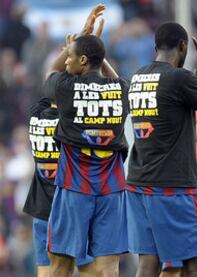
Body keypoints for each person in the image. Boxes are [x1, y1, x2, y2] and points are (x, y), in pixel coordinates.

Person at [126, 18, 197, 277]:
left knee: (148, 265)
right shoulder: (178, 79)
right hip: (175, 188)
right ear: (184, 46)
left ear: (156, 47)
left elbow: (190, 99)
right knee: (196, 264)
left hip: (139, 184)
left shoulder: (139, 76)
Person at [44, 5, 130, 277]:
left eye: (70, 55)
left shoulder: (66, 88)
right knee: (108, 268)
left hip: (73, 185)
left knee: (60, 262)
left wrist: (84, 35)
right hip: (112, 188)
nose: (65, 60)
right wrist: (98, 52)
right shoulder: (120, 90)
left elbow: (50, 72)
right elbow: (122, 84)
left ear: (82, 60)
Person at [23, 97, 95, 277]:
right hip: (69, 207)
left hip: (41, 209)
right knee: (87, 268)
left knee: (45, 269)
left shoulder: (35, 118)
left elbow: (44, 96)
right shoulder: (70, 124)